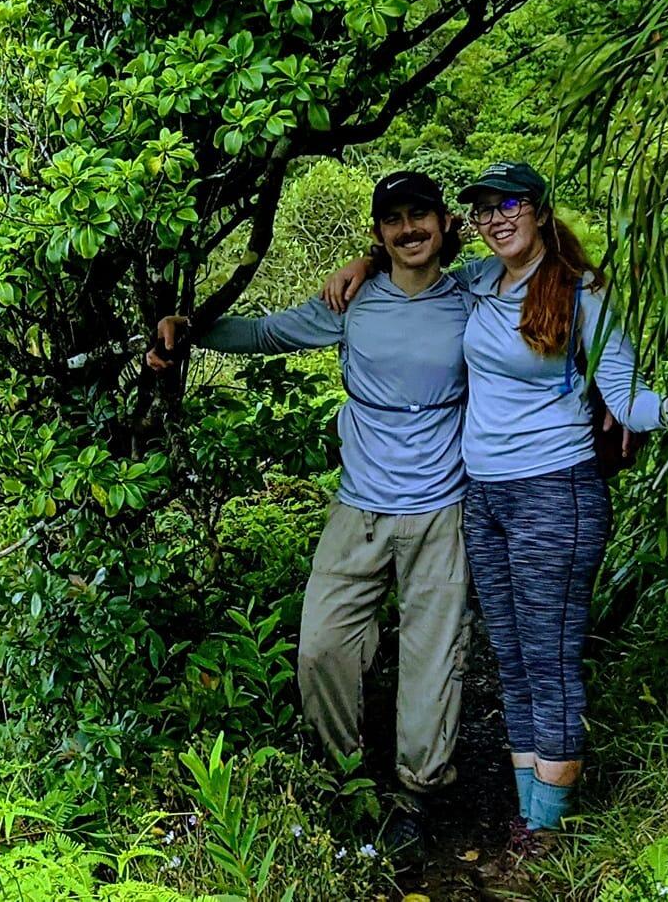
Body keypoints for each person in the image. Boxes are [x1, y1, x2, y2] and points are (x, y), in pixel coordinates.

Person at [323, 160, 668, 839]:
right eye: (484, 210)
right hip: (485, 497)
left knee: (548, 655)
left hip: (554, 493)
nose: (497, 218)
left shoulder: (580, 290)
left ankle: (543, 832)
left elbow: (627, 399)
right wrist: (363, 261)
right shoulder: (479, 280)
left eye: (510, 205)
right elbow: (415, 261)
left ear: (537, 209)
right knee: (509, 652)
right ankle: (529, 809)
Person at [147, 171, 472, 855]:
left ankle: (415, 794)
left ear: (445, 223)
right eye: (394, 220)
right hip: (360, 504)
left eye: (421, 216)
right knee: (322, 645)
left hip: (443, 506)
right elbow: (268, 333)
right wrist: (189, 329)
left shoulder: (473, 294)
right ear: (379, 232)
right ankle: (345, 778)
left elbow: (542, 290)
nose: (409, 229)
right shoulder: (353, 300)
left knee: (431, 657)